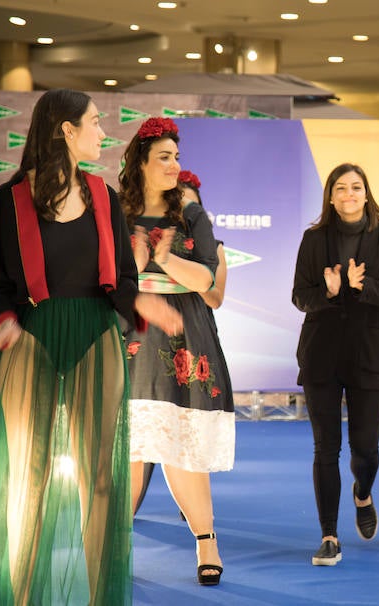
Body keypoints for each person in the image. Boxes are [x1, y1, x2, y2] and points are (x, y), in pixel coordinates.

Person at [0, 89, 181, 605]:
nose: (103, 132)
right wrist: (2, 320)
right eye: (94, 122)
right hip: (30, 338)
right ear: (66, 130)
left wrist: (142, 305)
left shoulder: (104, 195)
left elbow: (123, 278)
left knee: (102, 484)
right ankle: (19, 596)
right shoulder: (7, 200)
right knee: (29, 482)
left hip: (96, 337)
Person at [120, 117, 235, 586]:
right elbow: (107, 277)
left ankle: (206, 538)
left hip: (185, 337)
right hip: (130, 335)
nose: (174, 165)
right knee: (125, 445)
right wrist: (138, 266)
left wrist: (166, 260)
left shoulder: (191, 215)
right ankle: (112, 542)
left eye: (177, 156)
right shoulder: (114, 211)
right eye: (164, 157)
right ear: (141, 163)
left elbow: (207, 280)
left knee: (183, 444)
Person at [292, 163, 379, 566]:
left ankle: (363, 493)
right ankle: (329, 536)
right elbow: (300, 297)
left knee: (367, 450)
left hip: (370, 353)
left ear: (366, 192)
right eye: (341, 188)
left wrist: (362, 286)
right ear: (331, 196)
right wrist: (329, 289)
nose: (349, 194)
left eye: (356, 187)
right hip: (322, 352)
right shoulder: (314, 238)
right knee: (325, 448)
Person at [178, 170, 227, 310]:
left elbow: (215, 301)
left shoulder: (215, 248)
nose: (188, 214)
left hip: (197, 324)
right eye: (182, 206)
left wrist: (193, 272)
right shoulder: (159, 242)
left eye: (193, 207)